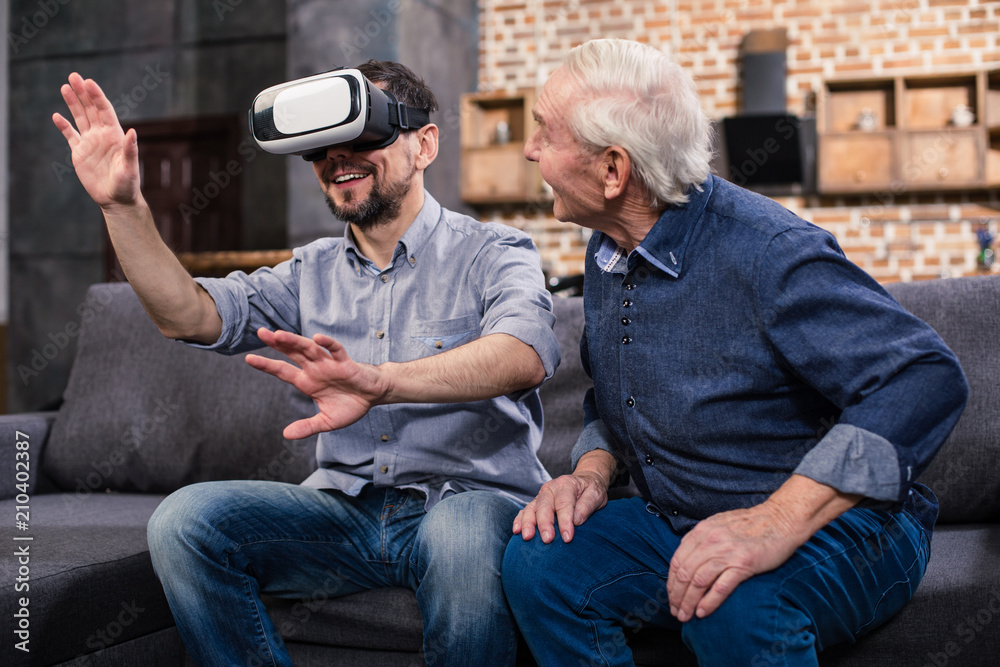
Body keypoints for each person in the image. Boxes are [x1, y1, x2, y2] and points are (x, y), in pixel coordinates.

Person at [53, 59, 560, 666]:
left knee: (459, 539)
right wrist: (122, 207)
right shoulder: (307, 273)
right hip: (346, 507)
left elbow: (525, 353)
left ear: (424, 144)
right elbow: (185, 315)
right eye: (322, 148)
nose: (339, 160)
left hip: (469, 502)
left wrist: (380, 383)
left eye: (364, 138)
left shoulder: (495, 252)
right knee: (185, 522)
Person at [501, 38, 969, 666]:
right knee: (540, 563)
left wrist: (774, 524)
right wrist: (589, 473)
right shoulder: (608, 249)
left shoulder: (769, 252)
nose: (531, 149)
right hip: (683, 519)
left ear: (613, 171)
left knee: (734, 606)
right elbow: (614, 392)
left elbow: (924, 377)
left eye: (545, 132)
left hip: (848, 528)